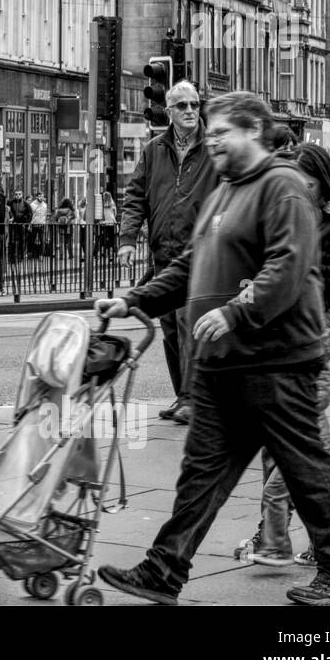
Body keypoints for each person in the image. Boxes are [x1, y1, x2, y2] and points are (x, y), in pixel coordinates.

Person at [95, 92, 330, 607]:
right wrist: (135, 300)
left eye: (222, 132)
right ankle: (163, 570)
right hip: (223, 364)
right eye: (211, 132)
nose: (212, 139)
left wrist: (235, 312)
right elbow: (188, 266)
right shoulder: (225, 191)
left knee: (305, 470)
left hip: (277, 360)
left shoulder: (282, 187)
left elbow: (287, 268)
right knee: (201, 475)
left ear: (254, 133)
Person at [236, 142, 330, 567]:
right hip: (282, 332)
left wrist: (326, 326)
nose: (299, 189)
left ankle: (275, 535)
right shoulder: (289, 211)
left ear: (322, 182)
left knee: (288, 434)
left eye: (306, 183)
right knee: (284, 435)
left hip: (318, 337)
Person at [117, 79, 219, 426]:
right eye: (182, 106)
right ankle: (183, 396)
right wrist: (127, 239)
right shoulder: (154, 150)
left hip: (201, 255)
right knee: (171, 332)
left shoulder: (212, 148)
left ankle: (194, 399)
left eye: (194, 104)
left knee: (191, 326)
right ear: (169, 112)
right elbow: (135, 197)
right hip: (163, 255)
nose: (190, 111)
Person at [8, 188, 33, 263]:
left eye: (19, 194)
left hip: (22, 225)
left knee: (22, 240)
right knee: (13, 241)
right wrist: (10, 218)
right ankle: (13, 257)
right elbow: (8, 211)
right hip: (13, 224)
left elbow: (30, 213)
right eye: (16, 194)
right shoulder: (10, 202)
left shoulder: (25, 203)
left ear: (22, 195)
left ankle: (20, 256)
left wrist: (26, 222)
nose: (17, 196)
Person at [30, 191, 49, 257]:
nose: (41, 198)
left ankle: (41, 254)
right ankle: (34, 253)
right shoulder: (32, 204)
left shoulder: (45, 205)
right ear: (36, 197)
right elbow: (31, 214)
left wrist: (45, 223)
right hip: (34, 224)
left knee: (42, 240)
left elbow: (45, 215)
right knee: (32, 239)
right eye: (40, 196)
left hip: (42, 224)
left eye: (42, 196)